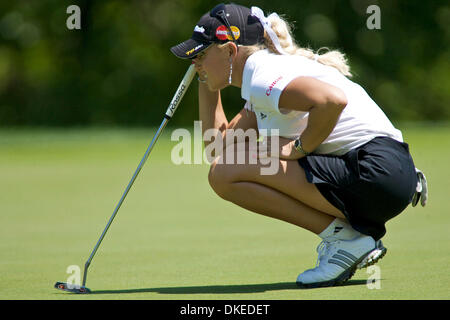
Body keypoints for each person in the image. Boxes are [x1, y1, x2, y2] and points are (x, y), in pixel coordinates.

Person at [170, 3, 428, 288]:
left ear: (231, 51)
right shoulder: (265, 81)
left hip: (377, 172)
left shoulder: (264, 78)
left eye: (202, 54)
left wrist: (299, 149)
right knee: (226, 169)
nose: (195, 62)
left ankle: (345, 240)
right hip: (387, 175)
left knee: (226, 172)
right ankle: (347, 239)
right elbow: (219, 149)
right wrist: (206, 81)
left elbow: (331, 100)